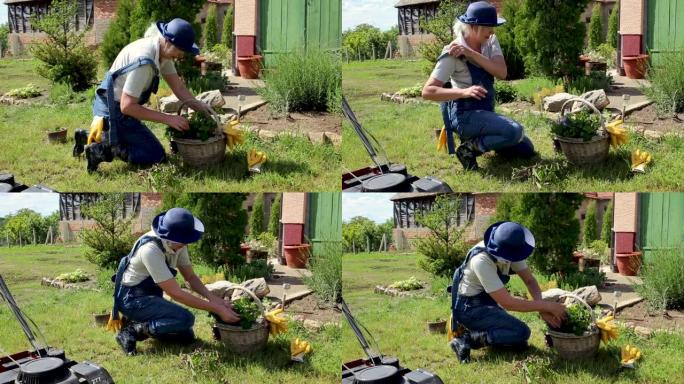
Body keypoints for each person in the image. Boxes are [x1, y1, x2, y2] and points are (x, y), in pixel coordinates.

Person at [78, 18, 213, 172]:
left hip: (117, 106)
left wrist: (199, 106)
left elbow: (179, 88)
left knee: (147, 146)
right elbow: (127, 106)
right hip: (112, 110)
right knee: (155, 155)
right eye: (180, 50)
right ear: (168, 41)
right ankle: (100, 150)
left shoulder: (162, 51)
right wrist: (168, 119)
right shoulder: (145, 62)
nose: (181, 55)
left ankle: (89, 136)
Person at [422, 1, 535, 171]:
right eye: (489, 27)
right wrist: (464, 92)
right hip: (464, 116)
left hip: (485, 112)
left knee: (527, 148)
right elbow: (428, 92)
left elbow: (501, 73)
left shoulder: (490, 42)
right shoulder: (452, 53)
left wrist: (470, 53)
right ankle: (469, 148)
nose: (492, 32)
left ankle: (486, 140)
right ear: (473, 27)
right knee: (514, 132)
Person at [111, 207, 240, 356]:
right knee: (186, 318)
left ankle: (144, 323)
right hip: (133, 299)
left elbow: (190, 278)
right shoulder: (150, 250)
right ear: (169, 238)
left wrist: (214, 299)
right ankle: (132, 330)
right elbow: (175, 293)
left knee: (186, 336)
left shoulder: (178, 243)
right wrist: (217, 309)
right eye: (182, 243)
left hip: (150, 297)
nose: (185, 246)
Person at [448, 221, 567, 363]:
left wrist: (541, 307)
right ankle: (465, 339)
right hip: (470, 308)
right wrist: (546, 306)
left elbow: (530, 281)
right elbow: (508, 302)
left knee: (516, 336)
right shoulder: (481, 260)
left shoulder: (509, 247)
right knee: (522, 332)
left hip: (487, 303)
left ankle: (499, 338)